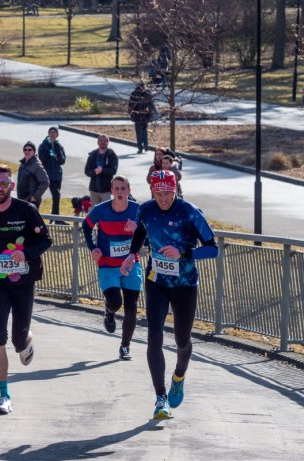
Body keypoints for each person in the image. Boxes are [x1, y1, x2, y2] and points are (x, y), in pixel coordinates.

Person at [121, 170, 218, 420]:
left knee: (182, 340)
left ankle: (178, 376)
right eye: (158, 192)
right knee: (154, 336)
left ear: (175, 190)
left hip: (185, 284)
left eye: (168, 193)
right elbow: (141, 231)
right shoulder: (146, 208)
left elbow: (213, 249)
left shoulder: (189, 212)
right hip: (157, 282)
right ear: (152, 191)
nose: (163, 198)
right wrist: (132, 254)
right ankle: (160, 398)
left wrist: (183, 253)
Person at [0, 164, 52, 415]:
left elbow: (46, 240)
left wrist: (24, 253)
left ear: (12, 186)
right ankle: (4, 396)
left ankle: (26, 340)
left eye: (4, 184)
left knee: (17, 341)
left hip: (24, 283)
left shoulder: (27, 210)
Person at [82, 176, 142, 360]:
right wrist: (93, 248)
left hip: (131, 264)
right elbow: (86, 226)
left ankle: (125, 346)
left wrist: (138, 227)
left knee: (131, 307)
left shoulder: (137, 210)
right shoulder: (101, 210)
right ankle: (109, 313)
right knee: (115, 302)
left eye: (123, 188)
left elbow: (146, 235)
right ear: (111, 190)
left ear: (129, 190)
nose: (120, 192)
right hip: (107, 264)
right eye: (117, 188)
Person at [37, 126, 66, 219]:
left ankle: (55, 217)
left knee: (56, 196)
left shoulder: (59, 146)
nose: (52, 134)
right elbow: (41, 159)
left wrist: (57, 149)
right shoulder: (43, 145)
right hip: (48, 175)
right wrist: (47, 149)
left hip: (57, 175)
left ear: (57, 135)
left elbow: (62, 161)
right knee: (57, 195)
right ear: (48, 134)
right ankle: (56, 217)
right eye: (51, 132)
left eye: (54, 132)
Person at [84, 134, 118, 208]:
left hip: (106, 190)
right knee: (94, 212)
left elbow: (113, 170)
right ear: (98, 142)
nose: (103, 142)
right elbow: (87, 171)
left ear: (108, 142)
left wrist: (102, 170)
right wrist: (94, 172)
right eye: (101, 141)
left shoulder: (112, 155)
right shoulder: (92, 155)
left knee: (105, 211)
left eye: (105, 141)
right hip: (94, 189)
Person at [16, 141, 49, 210]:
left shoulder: (37, 165)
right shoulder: (22, 163)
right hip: (21, 199)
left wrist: (35, 196)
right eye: (25, 149)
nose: (27, 151)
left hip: (31, 201)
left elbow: (45, 182)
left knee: (31, 220)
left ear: (34, 151)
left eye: (29, 150)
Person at [127, 80, 154, 154]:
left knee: (142, 132)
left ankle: (143, 146)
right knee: (142, 132)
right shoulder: (135, 94)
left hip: (143, 115)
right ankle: (143, 146)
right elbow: (130, 105)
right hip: (138, 116)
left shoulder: (146, 93)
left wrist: (149, 112)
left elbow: (150, 104)